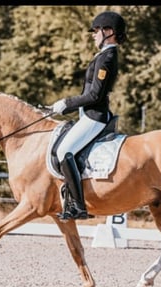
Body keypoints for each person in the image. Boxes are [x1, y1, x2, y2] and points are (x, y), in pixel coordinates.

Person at [48, 11, 127, 220]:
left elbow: (94, 95)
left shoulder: (108, 58)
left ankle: (78, 206)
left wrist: (66, 103)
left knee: (65, 151)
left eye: (96, 31)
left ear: (109, 32)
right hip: (88, 115)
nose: (93, 35)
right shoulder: (102, 56)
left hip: (95, 116)